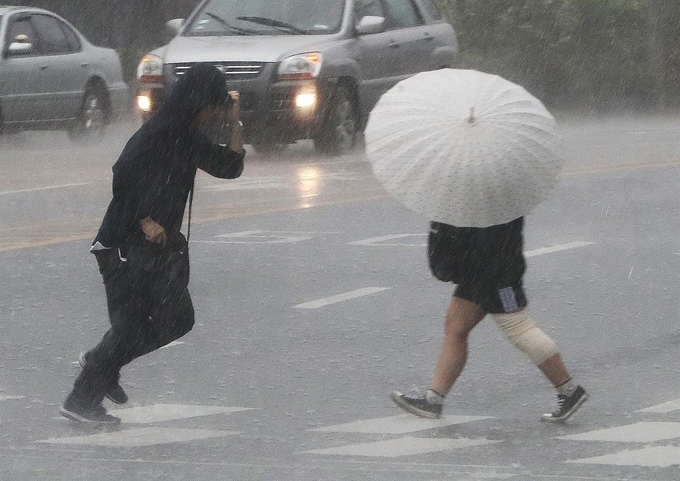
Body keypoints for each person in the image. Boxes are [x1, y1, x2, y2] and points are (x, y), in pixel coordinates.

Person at [60, 64, 246, 424]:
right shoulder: (160, 131)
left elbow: (230, 167)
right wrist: (144, 218)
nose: (215, 114)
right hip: (122, 247)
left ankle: (101, 362)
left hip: (151, 252)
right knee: (134, 327)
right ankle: (83, 397)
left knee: (176, 319)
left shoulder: (188, 136)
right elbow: (122, 173)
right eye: (214, 106)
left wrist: (234, 124)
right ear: (198, 102)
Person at [391, 217, 588, 422]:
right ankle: (433, 400)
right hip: (480, 275)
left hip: (498, 278)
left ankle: (569, 390)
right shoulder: (494, 197)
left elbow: (489, 242)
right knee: (455, 329)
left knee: (519, 328)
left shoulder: (486, 203)